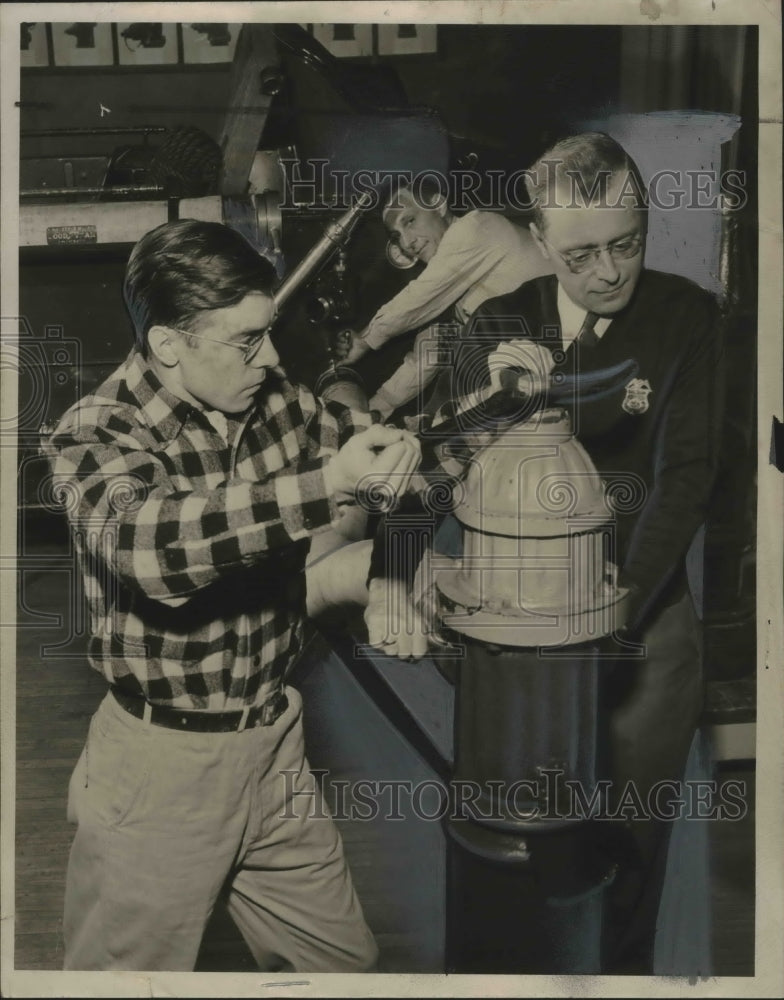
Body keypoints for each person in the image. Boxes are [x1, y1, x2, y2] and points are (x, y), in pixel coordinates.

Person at [42, 219, 421, 972]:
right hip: (162, 772)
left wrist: (455, 425)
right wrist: (328, 485)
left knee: (344, 971)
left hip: (275, 750)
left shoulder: (276, 400)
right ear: (169, 345)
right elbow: (152, 547)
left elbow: (366, 438)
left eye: (269, 332)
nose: (271, 358)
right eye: (246, 342)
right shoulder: (97, 433)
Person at [439, 131, 725, 973]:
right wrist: (495, 405)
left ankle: (626, 975)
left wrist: (616, 607)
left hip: (644, 618)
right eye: (582, 253)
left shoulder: (688, 319)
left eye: (626, 243)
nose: (608, 271)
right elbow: (443, 473)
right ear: (540, 242)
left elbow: (688, 477)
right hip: (519, 641)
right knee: (521, 849)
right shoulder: (498, 322)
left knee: (631, 842)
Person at [337, 178, 548, 419]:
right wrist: (375, 410)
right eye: (397, 236)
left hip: (567, 350)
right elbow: (432, 351)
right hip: (532, 361)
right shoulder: (460, 284)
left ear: (438, 204)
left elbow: (418, 297)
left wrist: (365, 340)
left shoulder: (475, 228)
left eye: (410, 221)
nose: (407, 243)